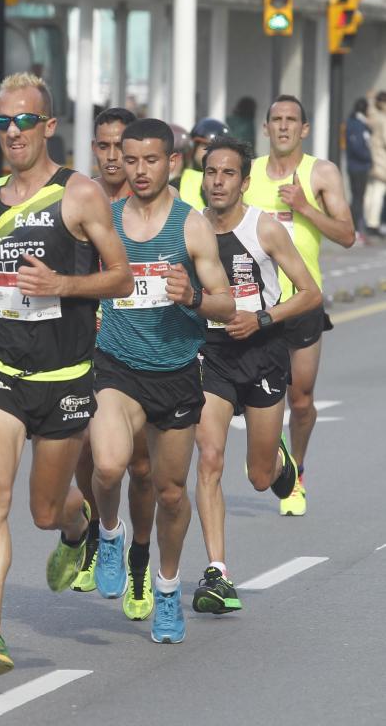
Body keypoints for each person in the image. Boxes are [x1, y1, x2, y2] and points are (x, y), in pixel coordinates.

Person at [0, 72, 133, 676]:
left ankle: (80, 530)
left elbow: (122, 277)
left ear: (48, 125)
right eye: (3, 123)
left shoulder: (79, 194)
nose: (13, 133)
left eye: (25, 121)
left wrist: (62, 285)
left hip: (65, 376)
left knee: (46, 511)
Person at [89, 118, 235, 644]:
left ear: (172, 162)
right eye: (131, 160)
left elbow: (226, 300)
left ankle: (167, 586)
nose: (140, 170)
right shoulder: (104, 220)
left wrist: (191, 296)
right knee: (108, 465)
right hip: (117, 367)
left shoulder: (191, 225)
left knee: (171, 494)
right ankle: (109, 534)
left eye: (151, 160)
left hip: (175, 372)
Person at [192, 136, 321, 614]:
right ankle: (217, 571)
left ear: (244, 182)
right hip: (212, 355)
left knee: (259, 477)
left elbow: (309, 293)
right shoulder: (191, 227)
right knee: (208, 456)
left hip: (263, 352)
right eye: (211, 172)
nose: (218, 181)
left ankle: (280, 466)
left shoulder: (263, 228)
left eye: (228, 174)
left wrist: (263, 318)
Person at [244, 95, 355, 516]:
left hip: (303, 299)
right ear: (266, 127)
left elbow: (346, 234)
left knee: (302, 399)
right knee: (253, 394)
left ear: (304, 129)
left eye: (292, 120)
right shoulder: (247, 173)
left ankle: (297, 471)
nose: (284, 126)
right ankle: (268, 452)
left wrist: (306, 207)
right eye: (276, 119)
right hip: (256, 302)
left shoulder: (320, 173)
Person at [70, 107, 157, 622]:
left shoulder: (150, 209)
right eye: (103, 146)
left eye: (119, 147)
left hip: (146, 356)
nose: (111, 156)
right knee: (92, 457)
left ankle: (140, 563)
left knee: (143, 468)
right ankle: (101, 534)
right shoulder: (77, 202)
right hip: (88, 351)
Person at [179, 118, 230, 211]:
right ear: (193, 146)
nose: (210, 153)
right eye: (206, 147)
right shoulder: (178, 180)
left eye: (216, 148)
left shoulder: (229, 181)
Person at [345, 97, 372, 241]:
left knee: (358, 198)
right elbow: (357, 146)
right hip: (358, 166)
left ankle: (357, 226)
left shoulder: (361, 122)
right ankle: (355, 228)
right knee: (357, 198)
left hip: (359, 165)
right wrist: (368, 158)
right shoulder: (355, 123)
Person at [365, 91, 386, 237]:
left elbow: (370, 109)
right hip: (381, 160)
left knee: (370, 191)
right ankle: (373, 223)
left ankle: (367, 221)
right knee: (378, 191)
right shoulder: (383, 119)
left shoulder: (372, 116)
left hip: (370, 158)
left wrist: (371, 99)